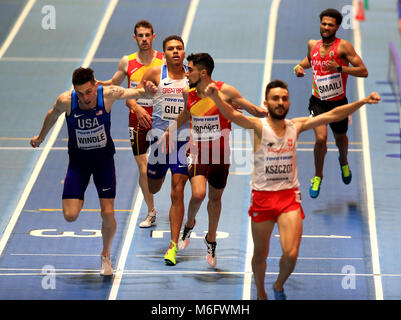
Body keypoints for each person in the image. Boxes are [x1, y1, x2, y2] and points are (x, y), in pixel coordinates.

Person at [204, 79, 380, 299]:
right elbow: (233, 115)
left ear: (288, 103)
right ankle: (261, 293)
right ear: (266, 103)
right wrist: (215, 97)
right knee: (260, 254)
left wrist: (362, 101)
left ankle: (278, 285)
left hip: (289, 198)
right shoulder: (259, 126)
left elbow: (332, 115)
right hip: (262, 198)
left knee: (291, 254)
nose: (280, 102)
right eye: (275, 98)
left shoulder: (295, 126)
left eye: (284, 98)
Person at [30, 67, 157, 276]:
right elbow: (52, 115)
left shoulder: (106, 95)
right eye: (80, 93)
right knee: (70, 216)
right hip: (78, 164)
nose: (86, 98)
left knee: (107, 213)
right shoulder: (66, 101)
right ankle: (79, 188)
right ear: (74, 90)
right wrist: (40, 137)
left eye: (89, 92)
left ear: (95, 86)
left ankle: (105, 255)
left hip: (103, 163)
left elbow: (133, 93)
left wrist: (147, 90)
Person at [163, 52, 268, 268]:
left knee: (215, 199)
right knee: (198, 194)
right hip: (198, 153)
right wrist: (169, 130)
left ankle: (211, 240)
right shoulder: (187, 92)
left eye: (189, 69)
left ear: (203, 72)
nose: (186, 72)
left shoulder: (225, 91)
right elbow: (186, 114)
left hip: (221, 155)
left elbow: (250, 109)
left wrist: (266, 112)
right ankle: (189, 224)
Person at [294, 8, 368, 198]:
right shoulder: (313, 44)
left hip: (338, 103)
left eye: (330, 25)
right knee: (320, 138)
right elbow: (308, 61)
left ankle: (343, 160)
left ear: (337, 27)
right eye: (323, 24)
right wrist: (298, 68)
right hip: (317, 101)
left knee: (341, 139)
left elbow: (363, 71)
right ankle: (318, 176)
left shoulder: (344, 47)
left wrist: (341, 68)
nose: (326, 27)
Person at [97, 20, 164, 227]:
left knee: (163, 168)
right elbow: (113, 83)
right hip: (137, 118)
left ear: (154, 37)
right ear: (134, 38)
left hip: (161, 117)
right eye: (140, 36)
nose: (144, 39)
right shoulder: (127, 61)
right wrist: (96, 84)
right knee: (143, 167)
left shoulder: (163, 60)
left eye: (147, 35)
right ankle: (151, 211)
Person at [138, 35, 190, 266]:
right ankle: (155, 207)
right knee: (154, 187)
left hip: (183, 142)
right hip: (159, 142)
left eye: (179, 48)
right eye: (171, 49)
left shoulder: (193, 77)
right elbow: (132, 97)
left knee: (176, 192)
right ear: (164, 53)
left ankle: (173, 246)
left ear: (184, 52)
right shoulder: (154, 74)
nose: (176, 52)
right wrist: (140, 107)